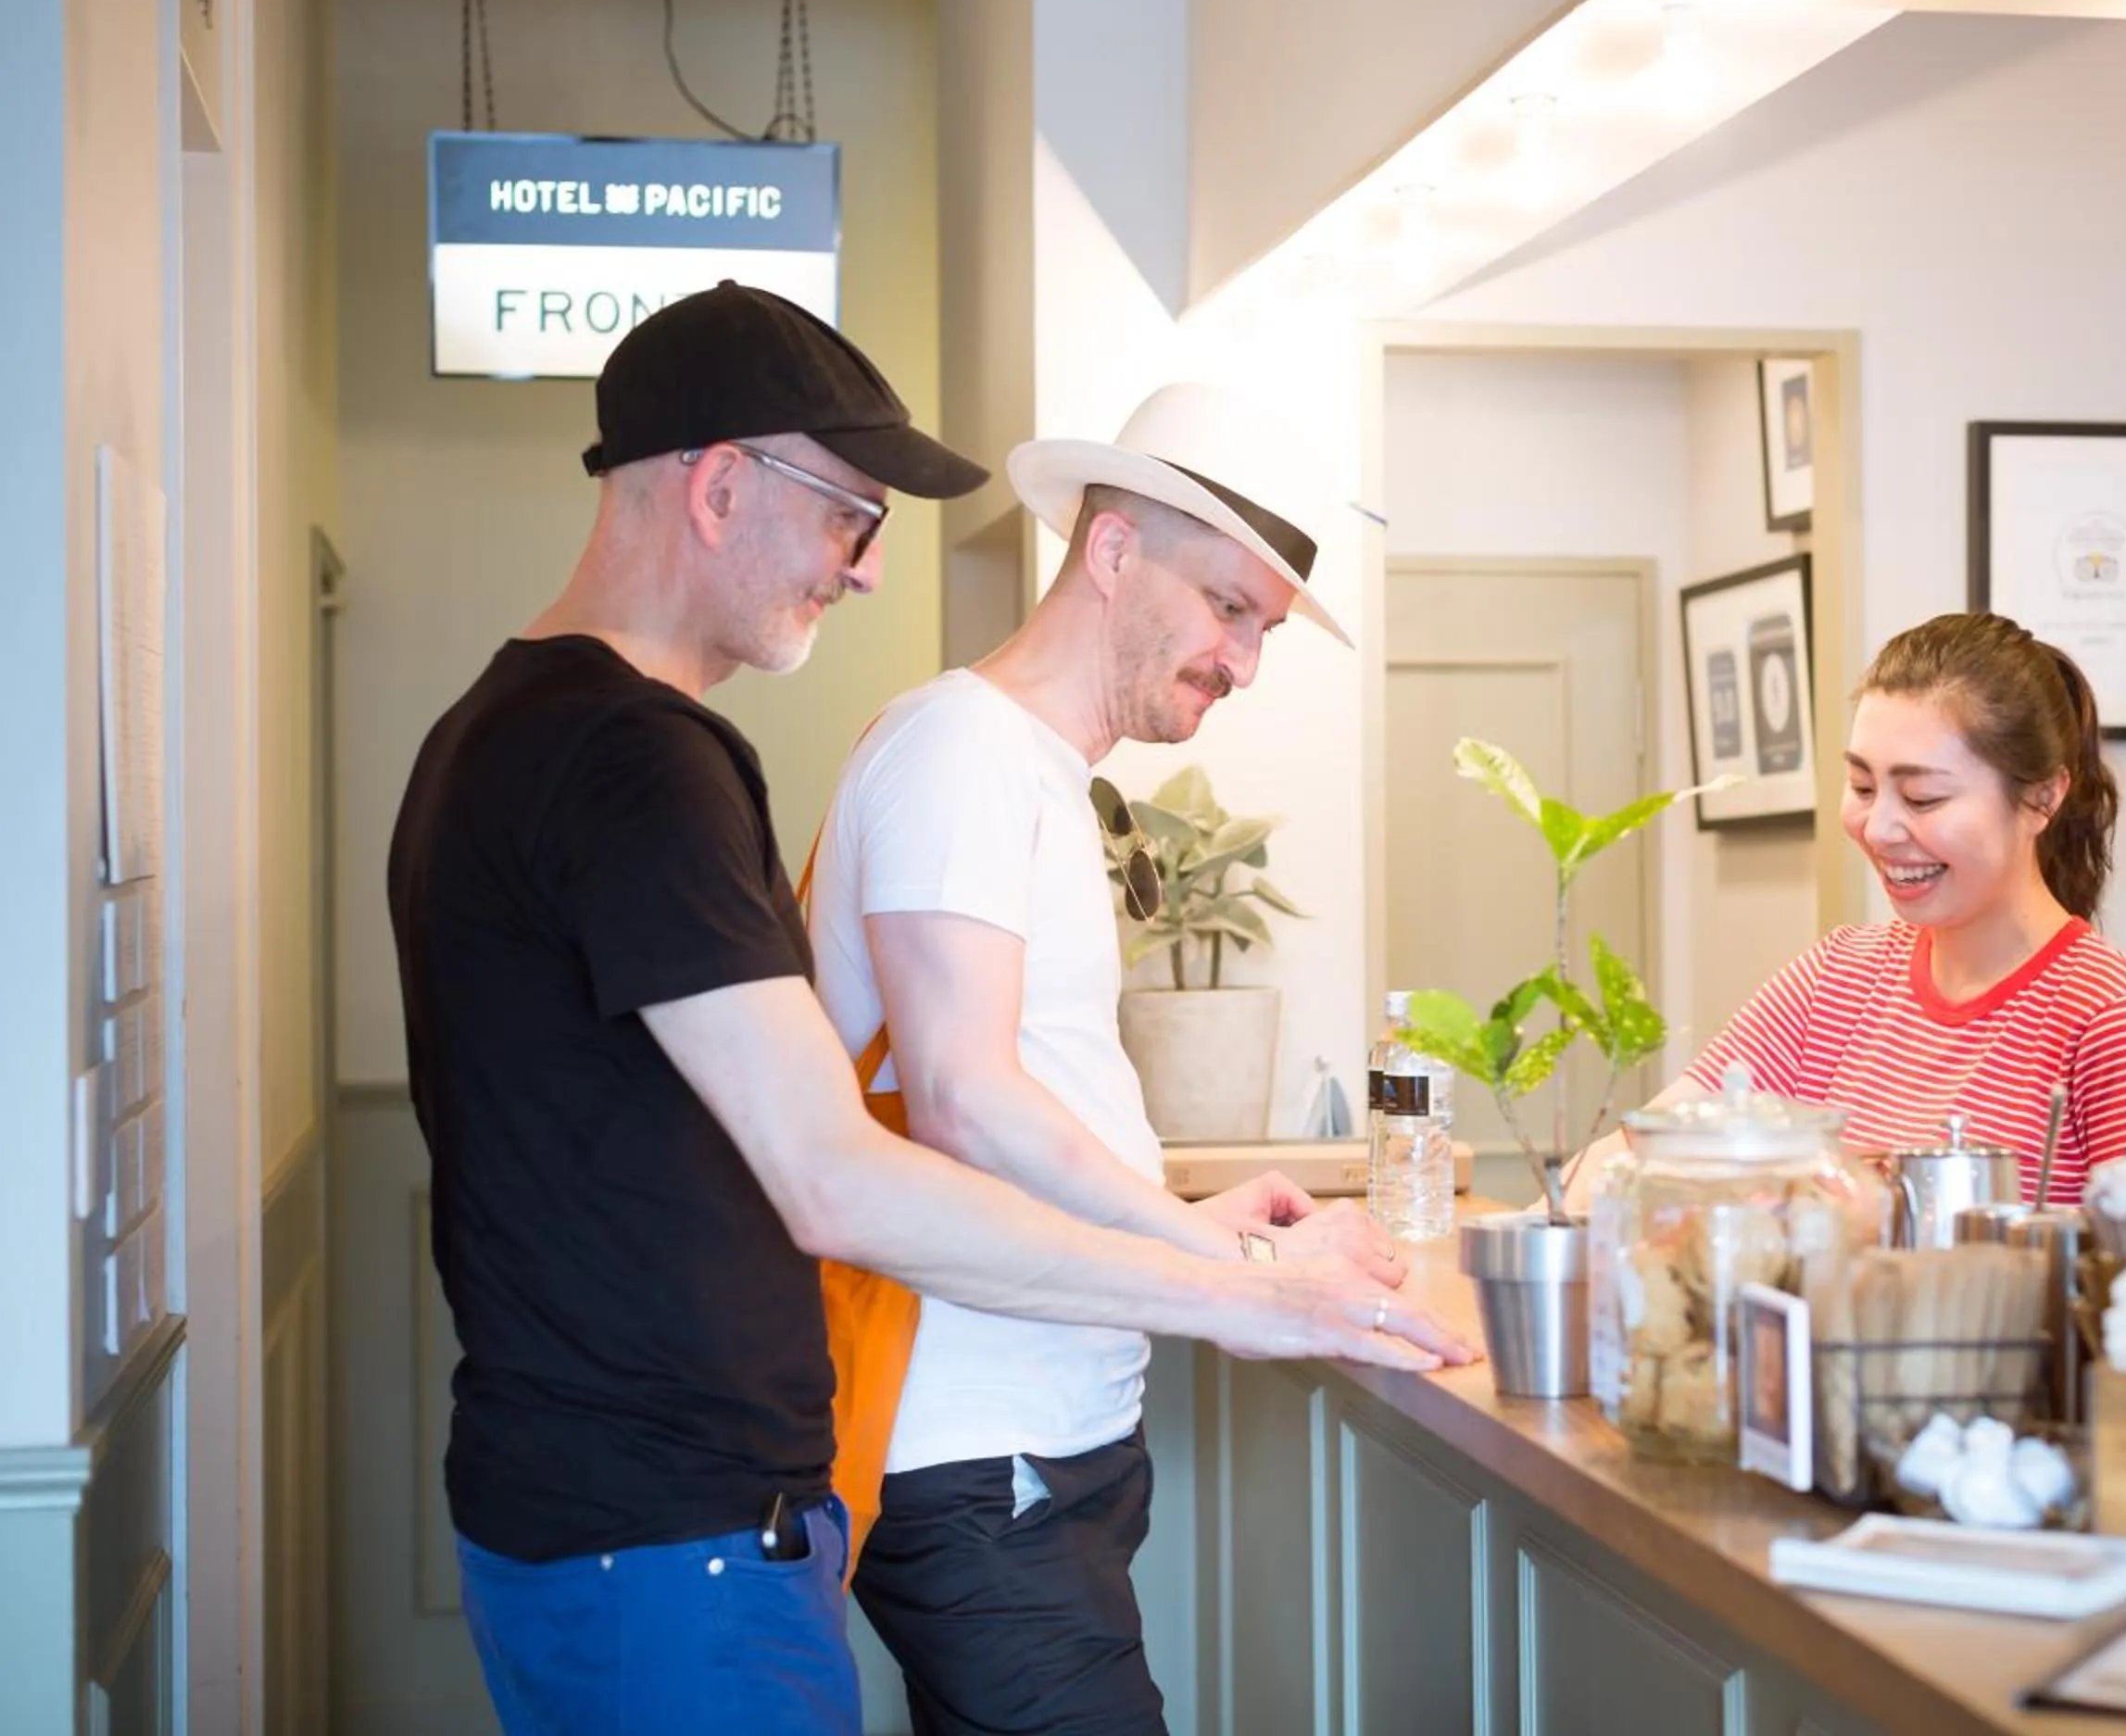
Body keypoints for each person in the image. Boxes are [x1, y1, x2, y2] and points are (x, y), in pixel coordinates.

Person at [387, 285, 1472, 1736]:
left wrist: (1204, 1246)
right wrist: (1241, 1289)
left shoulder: (503, 733)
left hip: (638, 1510)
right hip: (665, 1526)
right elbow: (846, 1167)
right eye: (852, 516)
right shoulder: (634, 759)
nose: (869, 568)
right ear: (720, 488)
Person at [800, 381, 1381, 1733]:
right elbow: (964, 1095)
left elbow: (1035, 1083)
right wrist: (1219, 1263)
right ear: (1113, 549)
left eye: (1264, 627)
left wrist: (1198, 1218)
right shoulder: (959, 750)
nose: (1245, 662)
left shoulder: (1036, 769)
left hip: (1047, 1439)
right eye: (1228, 608)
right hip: (975, 1447)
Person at [1608, 611, 2126, 1201]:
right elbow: (1643, 1153)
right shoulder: (1837, 977)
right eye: (1863, 787)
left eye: (1923, 798)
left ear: (2043, 798)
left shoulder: (2117, 1021)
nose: (1878, 829)